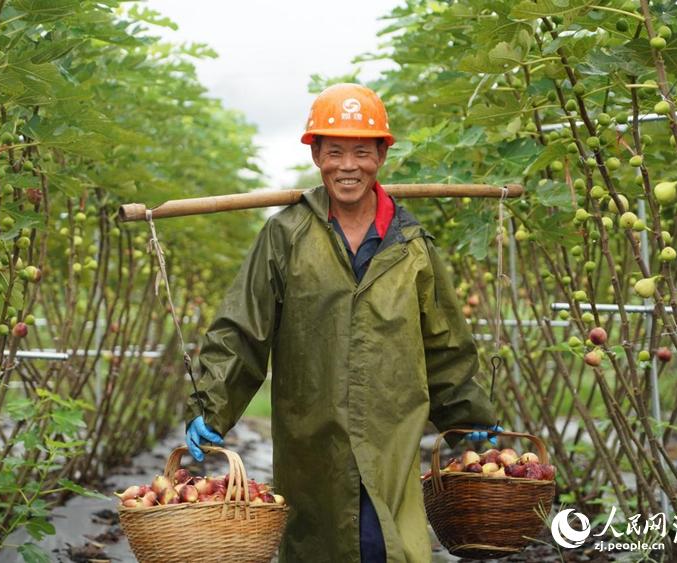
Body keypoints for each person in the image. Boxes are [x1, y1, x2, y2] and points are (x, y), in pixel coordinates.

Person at [184, 83, 501, 562]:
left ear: (381, 156)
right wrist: (212, 404)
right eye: (334, 152)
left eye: (361, 152)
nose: (347, 166)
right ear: (315, 156)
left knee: (387, 547)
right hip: (313, 436)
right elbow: (243, 329)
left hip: (391, 433)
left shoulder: (411, 244)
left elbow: (444, 343)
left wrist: (468, 416)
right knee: (318, 543)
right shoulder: (286, 234)